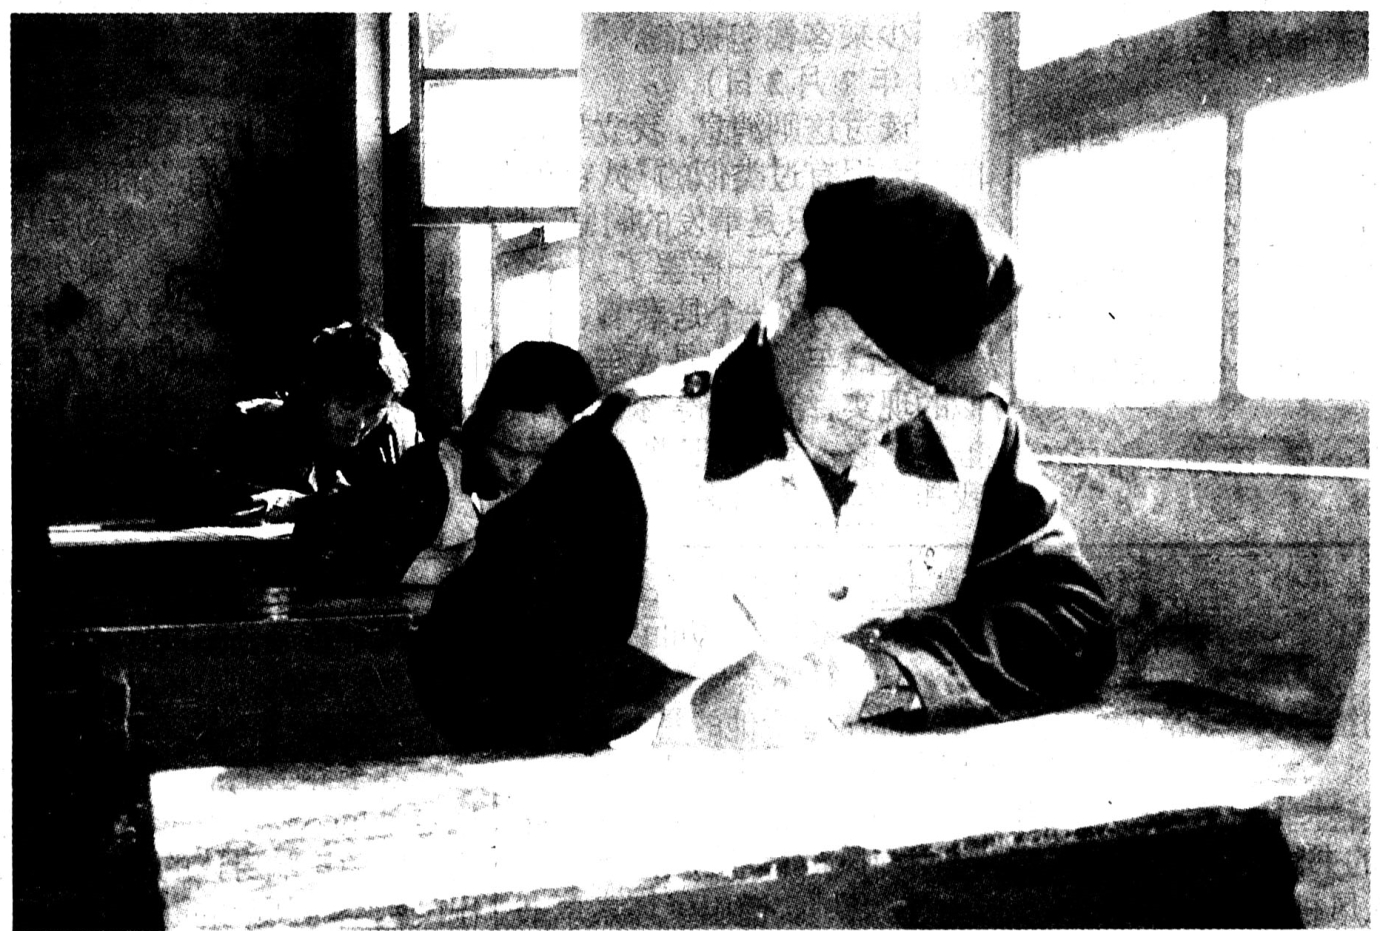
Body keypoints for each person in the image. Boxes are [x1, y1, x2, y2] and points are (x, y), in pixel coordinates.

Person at [410, 177, 1116, 754]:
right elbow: (466, 665)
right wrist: (682, 719)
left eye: (918, 383)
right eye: (867, 361)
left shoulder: (976, 436)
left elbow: (1075, 620)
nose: (884, 406)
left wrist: (875, 669)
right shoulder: (637, 445)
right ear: (789, 298)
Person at [293, 341, 600, 587]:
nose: (521, 470)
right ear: (480, 427)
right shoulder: (432, 474)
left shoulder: (580, 487)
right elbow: (326, 546)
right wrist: (448, 565)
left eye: (543, 456)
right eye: (505, 451)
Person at [202, 320, 420, 524]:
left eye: (374, 410)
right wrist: (309, 506)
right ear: (318, 395)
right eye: (348, 406)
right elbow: (211, 501)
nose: (360, 424)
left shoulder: (399, 433)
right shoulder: (254, 427)